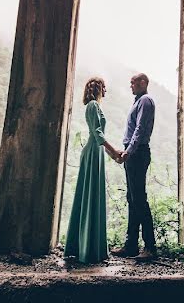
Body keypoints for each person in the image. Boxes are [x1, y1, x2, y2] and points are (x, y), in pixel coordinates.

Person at [65, 77, 121, 263]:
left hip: (96, 153)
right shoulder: (93, 106)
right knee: (89, 196)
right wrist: (113, 151)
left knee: (91, 196)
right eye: (104, 87)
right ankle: (86, 249)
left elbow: (98, 136)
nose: (106, 90)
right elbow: (97, 133)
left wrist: (112, 155)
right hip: (92, 153)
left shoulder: (94, 106)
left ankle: (86, 246)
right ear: (99, 88)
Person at [111, 73, 157, 260]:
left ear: (143, 83)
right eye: (130, 82)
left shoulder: (146, 100)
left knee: (139, 199)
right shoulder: (138, 101)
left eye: (133, 82)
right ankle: (131, 245)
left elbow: (139, 129)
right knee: (132, 198)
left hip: (137, 153)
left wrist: (128, 151)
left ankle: (150, 247)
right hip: (133, 152)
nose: (131, 85)